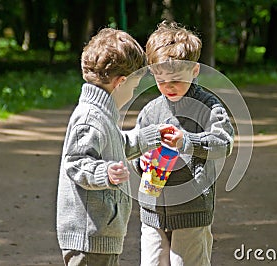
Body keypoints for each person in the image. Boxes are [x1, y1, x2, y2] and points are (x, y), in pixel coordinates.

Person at [56, 27, 180, 266]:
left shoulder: (103, 116)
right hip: (89, 236)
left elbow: (119, 145)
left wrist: (153, 136)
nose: (133, 93)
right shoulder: (89, 117)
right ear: (120, 83)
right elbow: (76, 162)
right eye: (133, 87)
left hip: (101, 233)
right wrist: (105, 173)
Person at [136, 21, 235, 266]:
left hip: (192, 209)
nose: (168, 86)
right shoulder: (150, 111)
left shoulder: (208, 107)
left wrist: (188, 141)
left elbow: (224, 143)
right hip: (153, 209)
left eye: (176, 79)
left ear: (195, 70)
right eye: (160, 80)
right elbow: (135, 147)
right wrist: (141, 160)